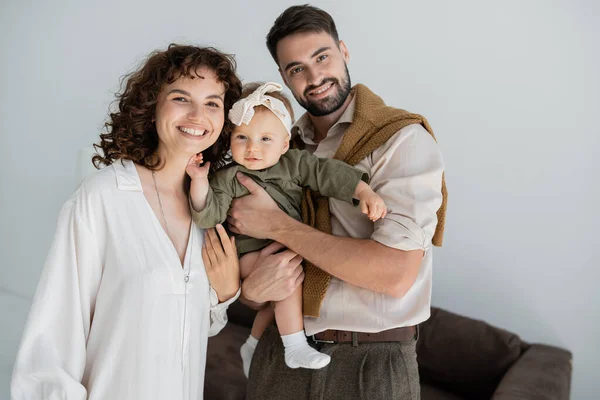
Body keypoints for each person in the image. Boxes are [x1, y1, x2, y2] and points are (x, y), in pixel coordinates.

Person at [228, 5, 448, 400]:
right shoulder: (273, 148)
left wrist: (276, 225)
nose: (314, 77)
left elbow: (395, 275)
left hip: (373, 362)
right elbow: (247, 273)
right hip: (280, 352)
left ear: (343, 51)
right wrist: (252, 290)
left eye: (322, 57)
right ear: (283, 78)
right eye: (296, 68)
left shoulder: (400, 140)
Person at [11, 44, 243, 400]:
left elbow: (186, 326)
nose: (199, 115)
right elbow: (52, 342)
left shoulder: (211, 210)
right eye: (181, 98)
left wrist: (223, 297)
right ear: (152, 107)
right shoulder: (103, 198)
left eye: (212, 102)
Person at [186, 81, 387, 377]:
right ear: (230, 141)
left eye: (266, 138)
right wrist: (199, 180)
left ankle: (252, 343)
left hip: (284, 245)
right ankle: (294, 346)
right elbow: (207, 216)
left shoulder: (294, 163)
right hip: (248, 254)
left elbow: (326, 174)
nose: (253, 147)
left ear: (284, 144)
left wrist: (361, 191)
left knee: (289, 283)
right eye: (242, 137)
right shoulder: (229, 178)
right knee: (287, 277)